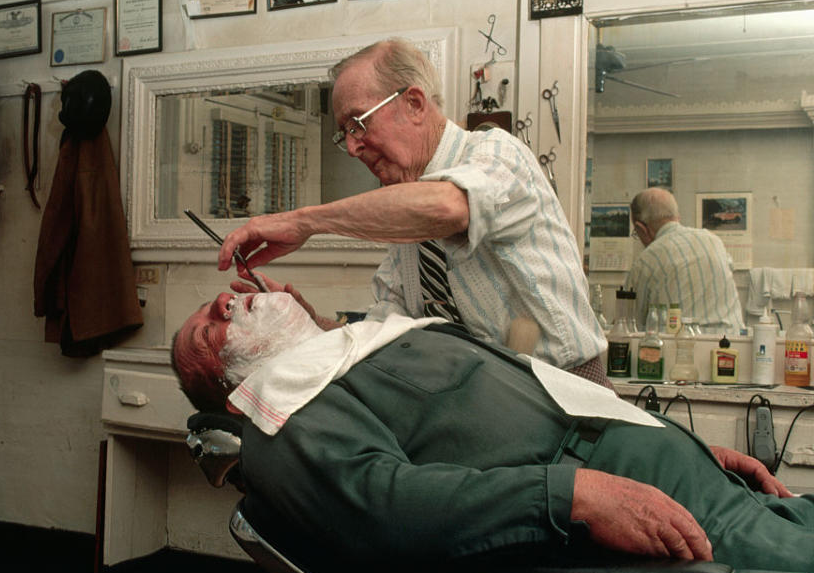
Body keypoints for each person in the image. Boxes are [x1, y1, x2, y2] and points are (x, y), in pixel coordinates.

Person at [172, 291, 814, 573]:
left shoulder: (354, 354)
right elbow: (387, 511)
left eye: (217, 300)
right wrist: (574, 496)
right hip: (652, 514)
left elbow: (538, 399)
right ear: (227, 389)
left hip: (694, 480)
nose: (227, 300)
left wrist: (692, 450)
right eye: (209, 329)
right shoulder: (286, 412)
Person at [219, 38, 608, 385]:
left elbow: (447, 208)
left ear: (414, 103)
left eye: (357, 124)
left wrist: (301, 221)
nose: (353, 148)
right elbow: (385, 331)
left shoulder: (497, 154)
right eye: (344, 135)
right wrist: (309, 323)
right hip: (493, 405)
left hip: (567, 396)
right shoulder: (406, 213)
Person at [625, 187, 744, 334]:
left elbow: (629, 325)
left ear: (641, 228)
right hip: (732, 346)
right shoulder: (714, 241)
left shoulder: (646, 261)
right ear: (676, 216)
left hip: (680, 348)